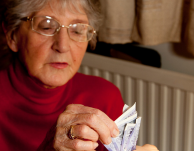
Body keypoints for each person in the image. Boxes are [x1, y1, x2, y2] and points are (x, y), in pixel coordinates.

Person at [0, 0, 159, 151]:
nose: (62, 46)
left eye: (77, 30)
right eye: (46, 27)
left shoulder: (105, 98)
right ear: (13, 36)